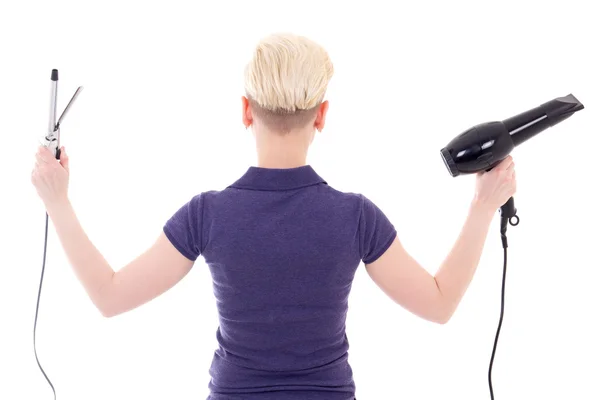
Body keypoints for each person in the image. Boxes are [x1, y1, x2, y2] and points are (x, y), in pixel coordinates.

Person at [31, 33, 517, 400]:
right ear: (322, 116)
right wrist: (482, 206)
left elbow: (109, 296)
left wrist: (58, 201)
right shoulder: (354, 217)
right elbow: (438, 303)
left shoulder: (209, 215)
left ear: (246, 111)